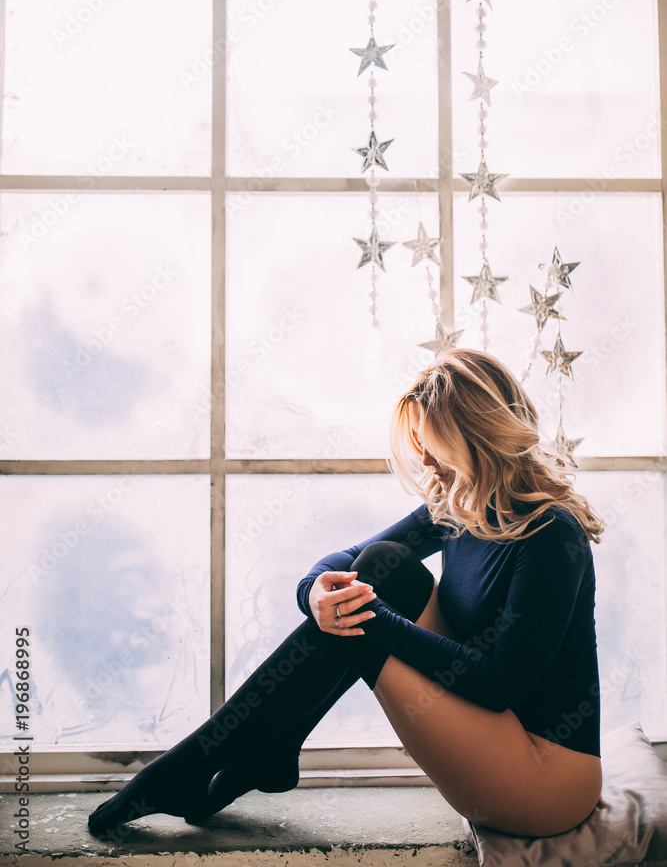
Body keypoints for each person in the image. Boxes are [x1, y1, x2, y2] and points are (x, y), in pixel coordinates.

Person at [88, 347, 604, 842]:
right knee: (383, 567)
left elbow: (498, 685)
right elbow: (344, 561)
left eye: (434, 444)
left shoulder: (551, 535)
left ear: (476, 437)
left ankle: (199, 764)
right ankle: (264, 752)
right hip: (493, 733)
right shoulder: (458, 505)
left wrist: (370, 618)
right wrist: (314, 593)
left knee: (359, 615)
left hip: (546, 780)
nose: (425, 461)